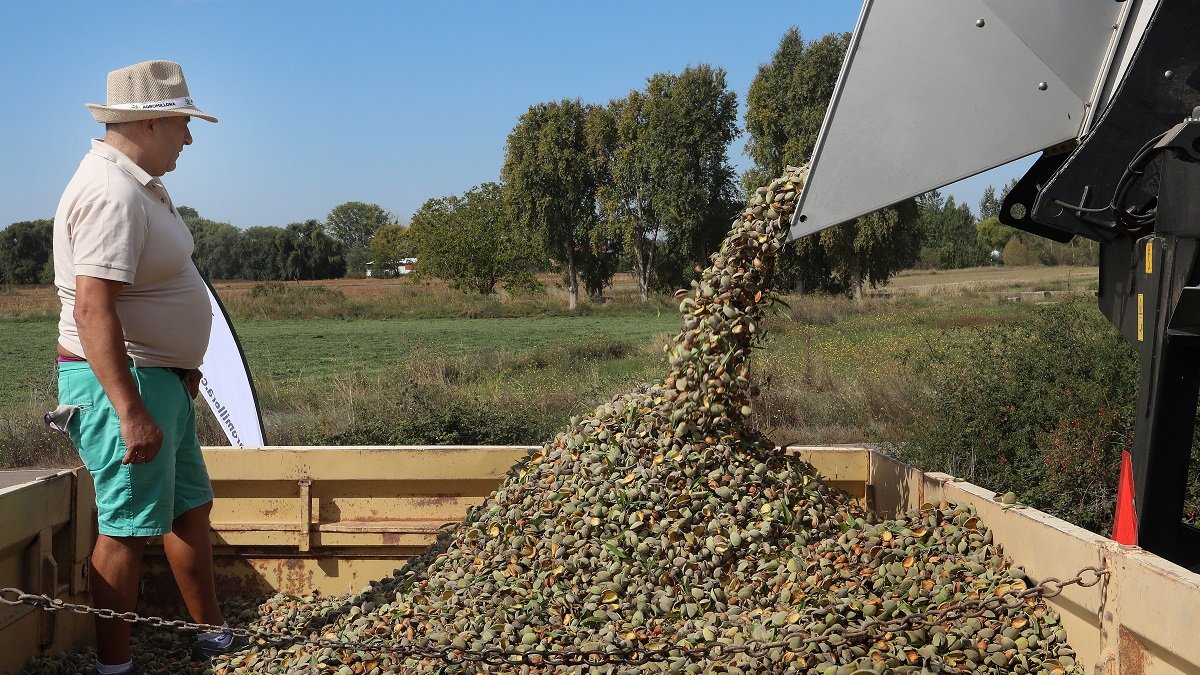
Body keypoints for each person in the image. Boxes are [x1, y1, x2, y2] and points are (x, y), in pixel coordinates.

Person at [50, 60, 244, 675]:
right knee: (128, 528)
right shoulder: (111, 193)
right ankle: (115, 668)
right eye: (184, 123)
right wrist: (130, 411)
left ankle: (211, 634)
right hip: (125, 384)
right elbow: (92, 308)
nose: (189, 137)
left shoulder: (139, 184)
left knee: (189, 508)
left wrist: (180, 367)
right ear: (153, 121)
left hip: (157, 380)